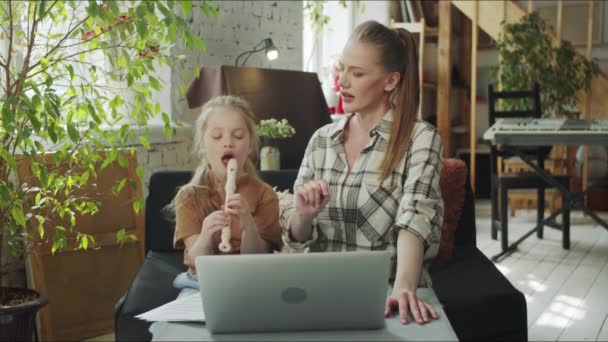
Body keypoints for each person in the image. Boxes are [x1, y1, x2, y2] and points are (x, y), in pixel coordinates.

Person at [281, 20, 444, 325]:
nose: (342, 81)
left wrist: (404, 287)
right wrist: (304, 216)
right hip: (318, 291)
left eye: (357, 73)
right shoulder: (321, 140)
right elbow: (298, 237)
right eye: (342, 69)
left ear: (390, 81)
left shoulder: (420, 138)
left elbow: (415, 217)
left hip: (385, 294)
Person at [170, 95, 283, 290]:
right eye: (216, 136)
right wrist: (206, 234)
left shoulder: (265, 195)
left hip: (250, 281)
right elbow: (197, 261)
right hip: (200, 282)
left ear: (250, 147)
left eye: (238, 136)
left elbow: (257, 261)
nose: (228, 143)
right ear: (203, 146)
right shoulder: (188, 197)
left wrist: (248, 223)